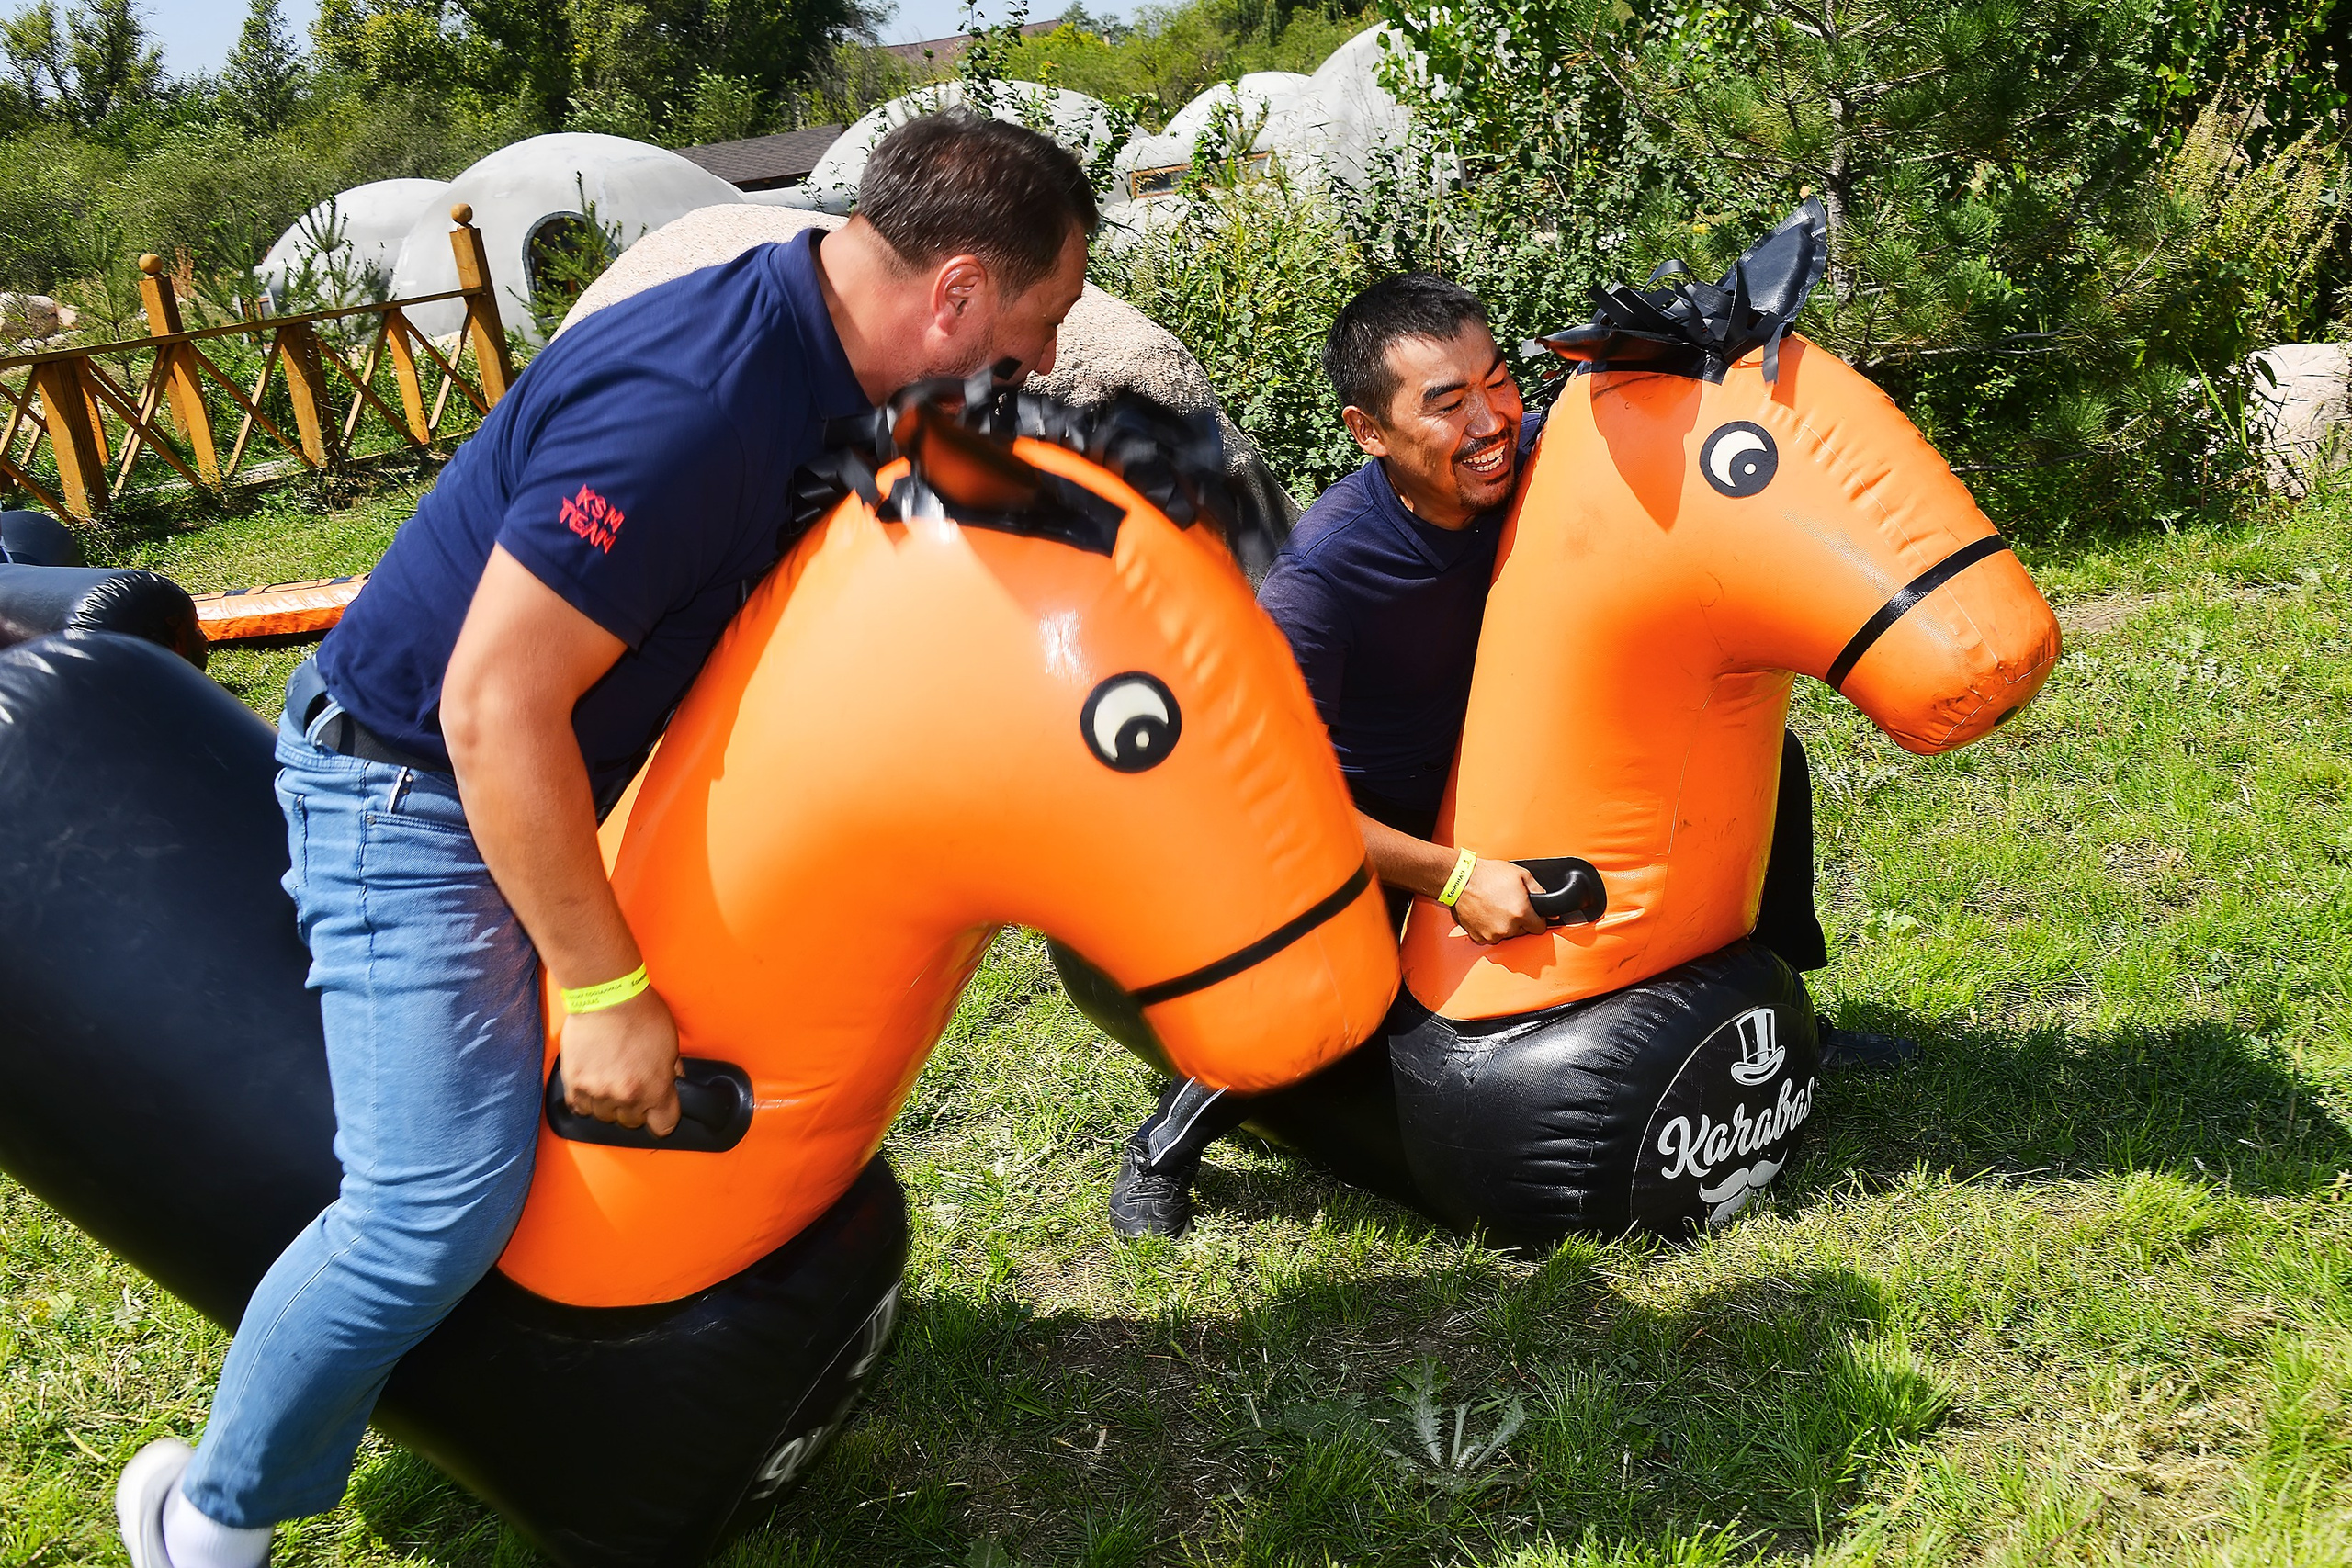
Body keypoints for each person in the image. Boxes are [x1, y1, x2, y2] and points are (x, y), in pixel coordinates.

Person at [114, 112, 1097, 1568]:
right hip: (420, 791)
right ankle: (206, 1512)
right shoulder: (699, 400)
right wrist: (601, 986)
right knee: (429, 1207)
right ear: (953, 291)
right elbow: (492, 705)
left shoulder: (834, 346)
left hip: (544, 759)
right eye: (1042, 317)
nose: (1052, 355)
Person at [1108, 273, 1914, 1241]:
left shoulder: (1535, 458)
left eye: (1497, 382)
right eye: (1446, 404)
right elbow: (1269, 802)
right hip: (1367, 822)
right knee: (1321, 970)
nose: (1491, 419)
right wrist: (1449, 879)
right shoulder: (1326, 575)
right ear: (1369, 432)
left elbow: (1651, 426)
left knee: (1765, 763)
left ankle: (1785, 1022)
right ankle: (1168, 1140)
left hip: (1511, 772)